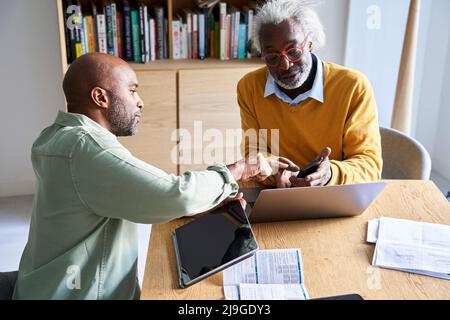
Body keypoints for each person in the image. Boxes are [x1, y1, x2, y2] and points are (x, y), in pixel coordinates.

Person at [13, 53, 292, 300]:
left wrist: (200, 203)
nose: (140, 102)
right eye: (132, 91)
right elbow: (173, 193)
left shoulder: (58, 136)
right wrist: (241, 169)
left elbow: (139, 194)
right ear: (100, 97)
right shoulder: (87, 148)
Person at [238, 0, 382, 188]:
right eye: (272, 57)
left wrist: (331, 174)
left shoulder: (353, 87)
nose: (285, 65)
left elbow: (369, 166)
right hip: (277, 192)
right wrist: (276, 172)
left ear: (310, 43)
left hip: (335, 193)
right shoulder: (249, 87)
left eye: (294, 51)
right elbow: (254, 152)